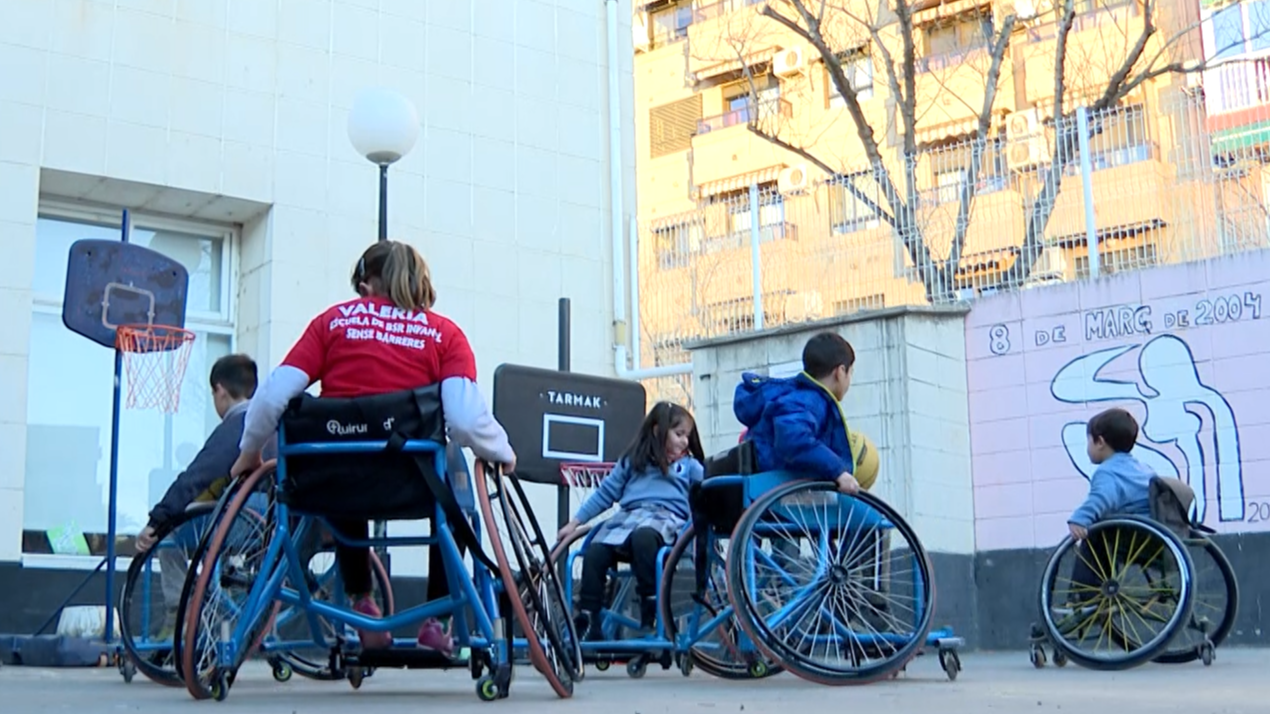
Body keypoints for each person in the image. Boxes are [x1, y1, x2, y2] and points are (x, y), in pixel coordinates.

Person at [230, 240, 516, 656]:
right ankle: (438, 620)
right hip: (415, 483)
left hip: (332, 483)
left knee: (345, 470)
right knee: (455, 494)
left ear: (365, 285)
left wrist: (249, 451)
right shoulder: (445, 334)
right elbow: (466, 420)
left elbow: (273, 397)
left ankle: (362, 600)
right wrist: (503, 451)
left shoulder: (331, 323)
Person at [133, 354, 259, 638]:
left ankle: (177, 613)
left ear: (220, 391)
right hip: (272, 521)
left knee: (168, 536)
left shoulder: (235, 427)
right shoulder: (273, 420)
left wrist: (157, 519)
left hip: (241, 521)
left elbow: (195, 477)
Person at [556, 402, 705, 640]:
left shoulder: (690, 467)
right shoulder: (633, 461)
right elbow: (605, 494)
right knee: (595, 551)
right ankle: (588, 618)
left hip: (665, 520)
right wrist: (575, 522)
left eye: (687, 436)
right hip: (627, 519)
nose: (685, 442)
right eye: (679, 435)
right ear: (658, 431)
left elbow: (709, 491)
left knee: (644, 537)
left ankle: (650, 606)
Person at [732, 331, 874, 495]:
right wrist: (838, 471)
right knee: (876, 519)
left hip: (773, 486)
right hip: (783, 491)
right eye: (851, 373)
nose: (849, 380)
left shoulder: (799, 397)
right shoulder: (809, 401)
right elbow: (793, 439)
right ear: (840, 372)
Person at [1066, 407, 1155, 603]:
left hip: (1135, 537)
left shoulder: (1108, 472)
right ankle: (1092, 595)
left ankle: (1084, 597)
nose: (1087, 447)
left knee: (1095, 533)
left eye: (1088, 440)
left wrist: (1081, 519)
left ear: (1100, 442)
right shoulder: (1144, 469)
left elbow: (1102, 498)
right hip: (1156, 537)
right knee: (1105, 532)